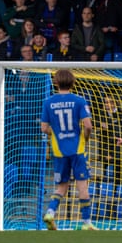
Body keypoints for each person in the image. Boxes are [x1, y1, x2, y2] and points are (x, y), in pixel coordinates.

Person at [41, 69, 96, 231]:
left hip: (59, 150)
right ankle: (86, 223)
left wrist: (57, 133)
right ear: (73, 83)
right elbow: (88, 126)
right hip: (77, 150)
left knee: (61, 186)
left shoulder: (48, 102)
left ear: (55, 83)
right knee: (82, 186)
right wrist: (85, 138)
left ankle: (50, 212)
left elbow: (44, 128)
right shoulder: (79, 101)